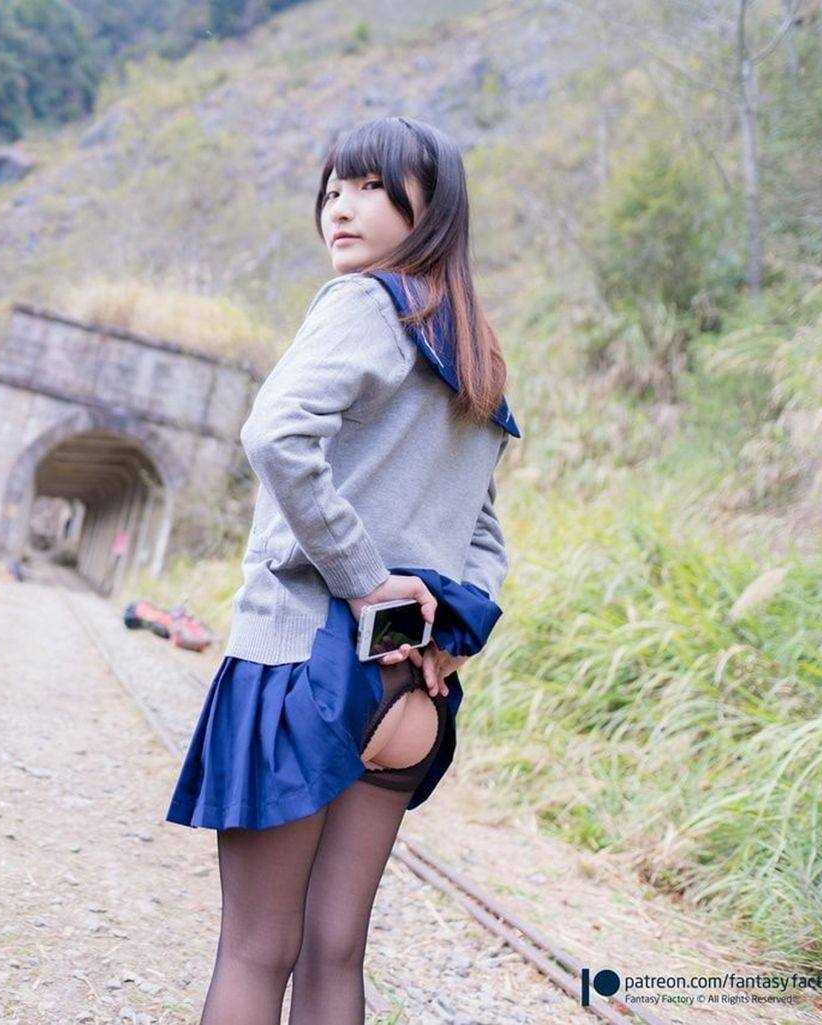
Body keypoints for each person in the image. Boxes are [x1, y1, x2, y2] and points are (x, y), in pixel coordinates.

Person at [164, 115, 521, 1024]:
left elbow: (275, 435)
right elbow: (484, 539)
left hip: (302, 668)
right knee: (336, 950)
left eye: (369, 187)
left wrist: (362, 578)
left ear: (430, 207)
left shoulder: (365, 304)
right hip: (406, 689)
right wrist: (447, 636)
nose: (341, 207)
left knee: (256, 950)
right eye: (332, 189)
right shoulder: (472, 350)